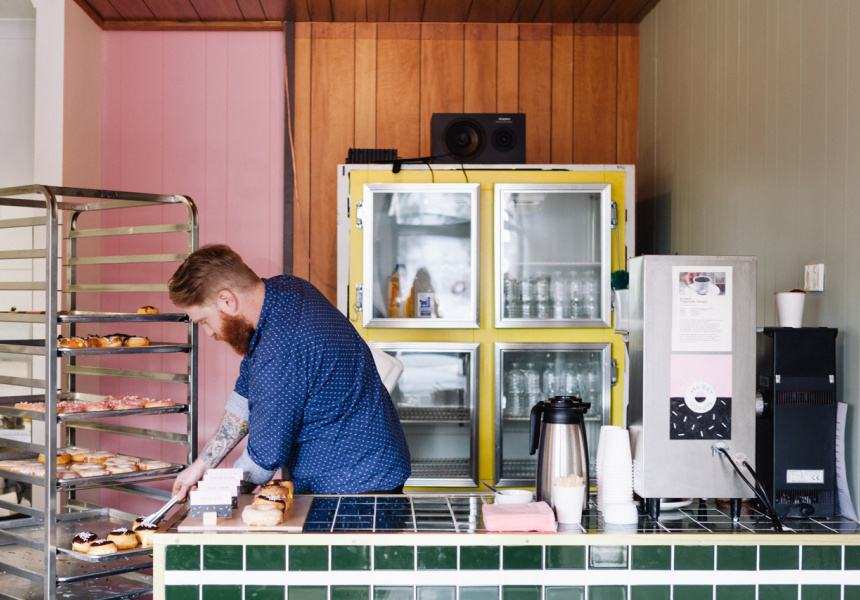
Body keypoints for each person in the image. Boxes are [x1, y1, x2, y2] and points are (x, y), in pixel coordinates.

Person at [169, 244, 410, 499]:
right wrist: (201, 465)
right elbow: (245, 393)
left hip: (355, 487)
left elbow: (262, 460)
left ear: (227, 300)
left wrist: (213, 499)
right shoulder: (288, 289)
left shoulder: (279, 351)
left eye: (204, 321)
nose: (208, 332)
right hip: (374, 464)